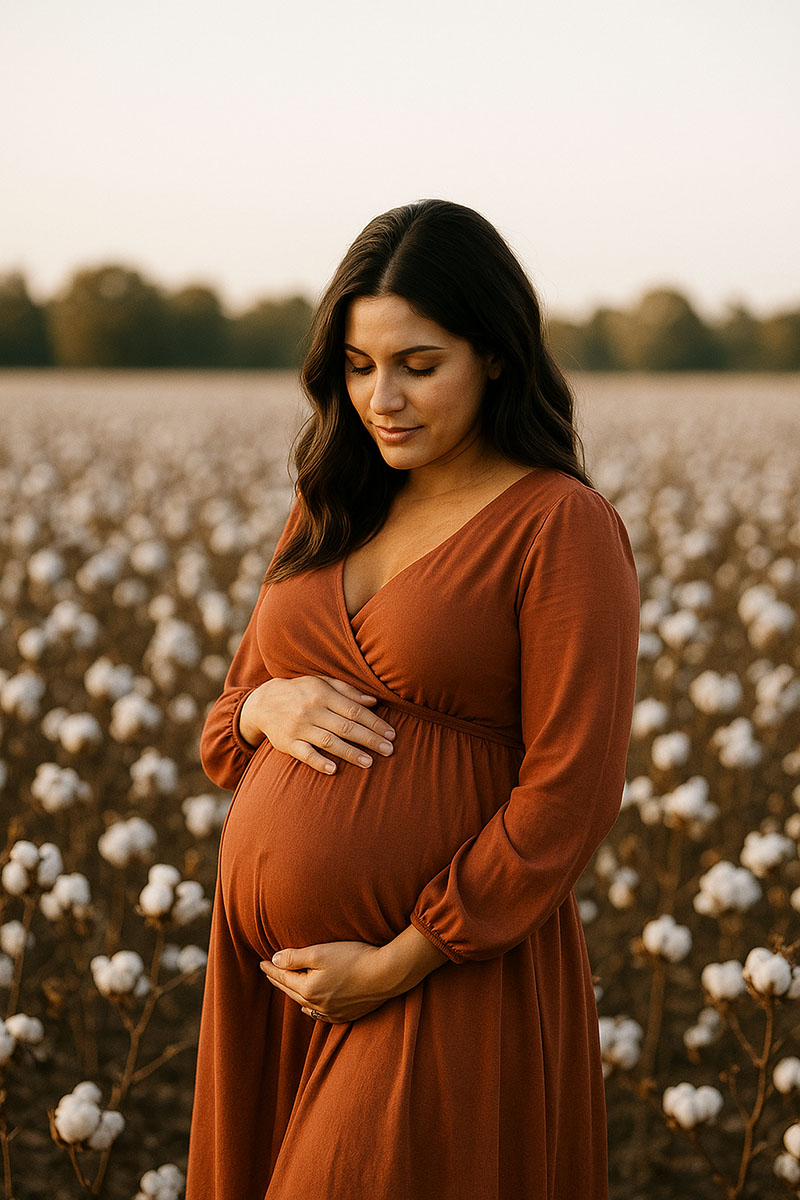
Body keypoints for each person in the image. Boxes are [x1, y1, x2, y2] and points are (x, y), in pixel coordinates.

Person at [185, 199, 640, 1199]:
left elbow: (569, 792)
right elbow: (226, 728)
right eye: (356, 365)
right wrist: (267, 709)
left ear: (494, 357)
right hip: (275, 993)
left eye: (415, 364)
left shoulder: (559, 526)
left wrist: (399, 959)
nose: (380, 397)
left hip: (443, 978)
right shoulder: (330, 500)